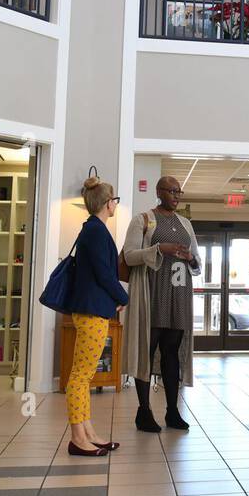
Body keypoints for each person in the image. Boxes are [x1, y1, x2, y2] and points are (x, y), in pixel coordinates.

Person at [122, 176, 202, 432]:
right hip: (152, 294)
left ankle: (172, 411)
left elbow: (198, 262)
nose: (177, 195)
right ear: (159, 192)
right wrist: (159, 248)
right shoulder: (142, 219)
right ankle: (144, 412)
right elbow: (129, 255)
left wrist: (190, 258)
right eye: (172, 191)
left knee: (172, 354)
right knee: (147, 350)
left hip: (178, 296)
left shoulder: (186, 224)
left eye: (179, 192)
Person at [65, 176, 129, 456]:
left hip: (92, 308)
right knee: (80, 376)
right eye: (114, 200)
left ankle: (88, 432)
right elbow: (104, 273)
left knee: (85, 375)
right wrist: (123, 297)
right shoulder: (95, 230)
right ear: (107, 203)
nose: (116, 204)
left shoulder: (94, 228)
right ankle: (78, 438)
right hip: (91, 310)